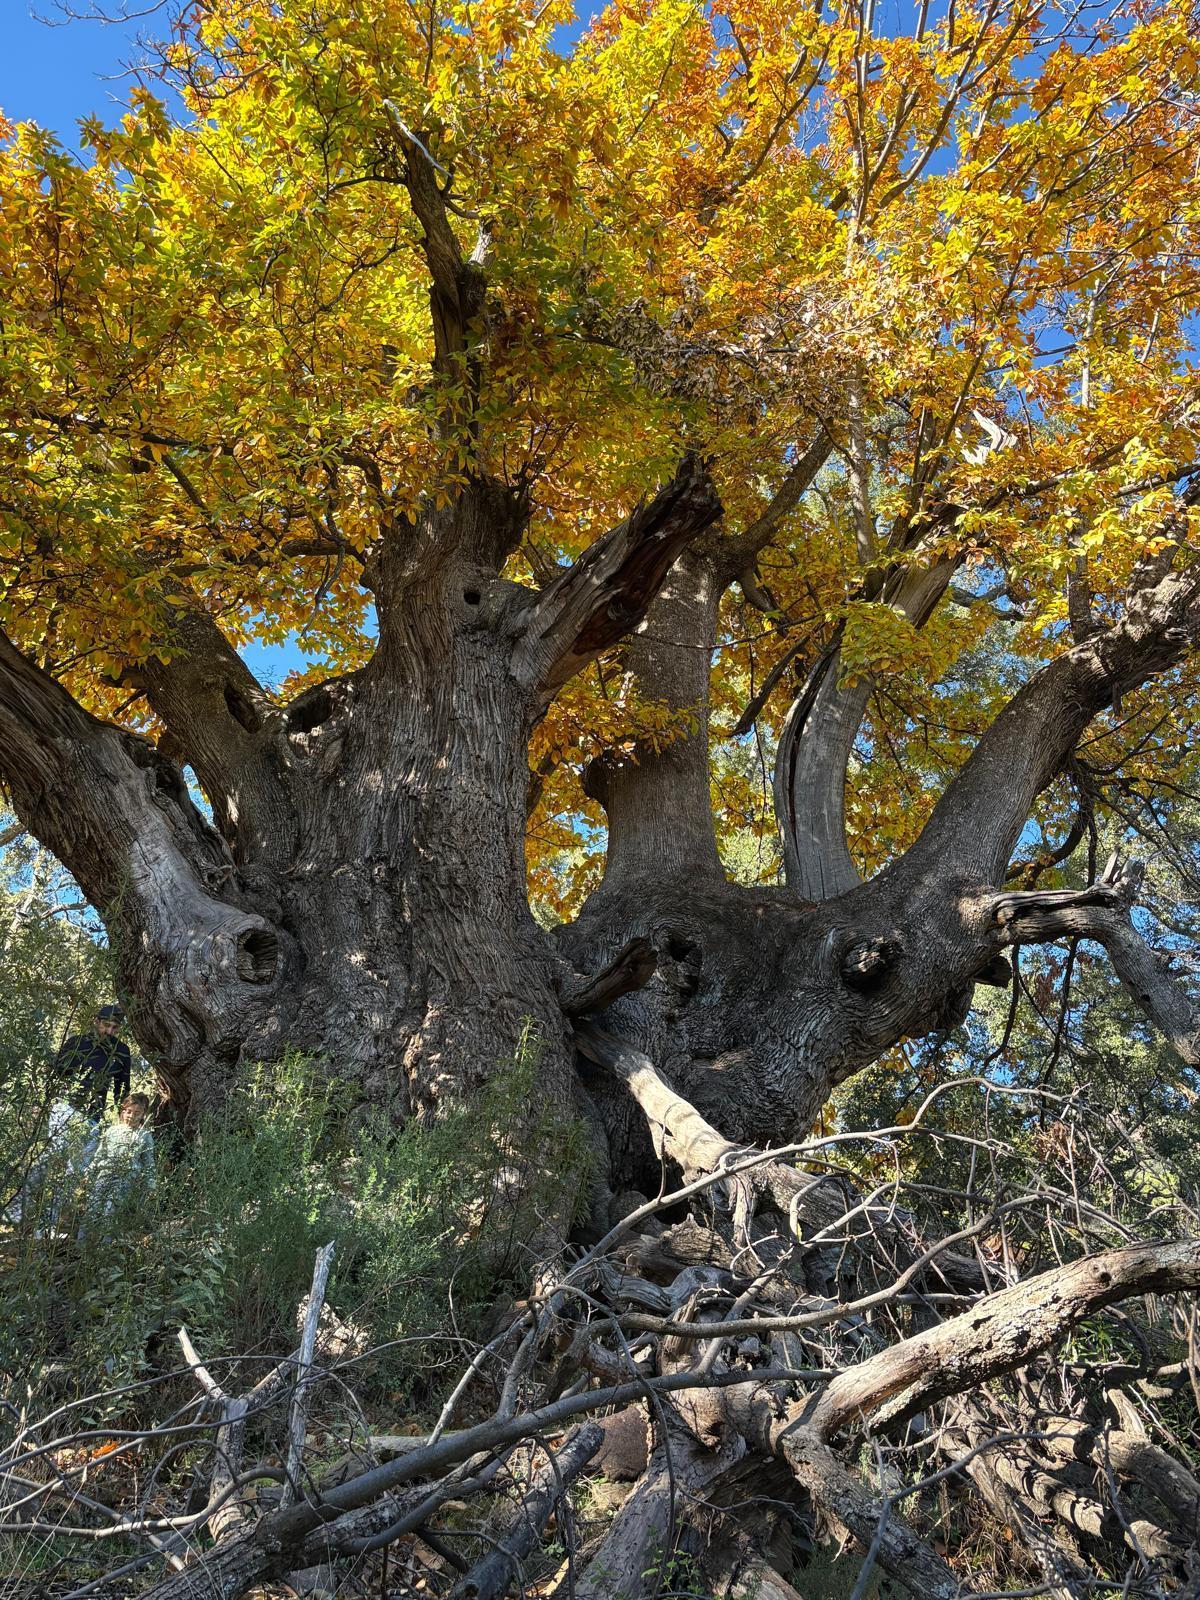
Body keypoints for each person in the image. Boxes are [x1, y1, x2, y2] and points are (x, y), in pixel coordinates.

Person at [84, 1093, 156, 1226]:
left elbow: (148, 1162)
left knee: (111, 1211)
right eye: (128, 1111)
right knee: (92, 1208)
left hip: (126, 1177)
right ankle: (83, 1238)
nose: (131, 1116)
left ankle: (106, 1238)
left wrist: (151, 1185)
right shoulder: (112, 1131)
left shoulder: (144, 1136)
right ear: (123, 1111)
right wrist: (90, 1171)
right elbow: (100, 1154)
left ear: (143, 1115)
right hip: (105, 1173)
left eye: (137, 1113)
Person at [54, 1004, 133, 1123]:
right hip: (64, 1109)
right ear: (96, 1021)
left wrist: (123, 1122)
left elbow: (122, 1089)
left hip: (93, 1115)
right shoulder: (76, 1042)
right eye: (106, 1025)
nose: (109, 1031)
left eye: (115, 1027)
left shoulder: (121, 1050)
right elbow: (56, 1074)